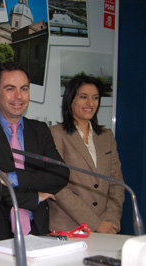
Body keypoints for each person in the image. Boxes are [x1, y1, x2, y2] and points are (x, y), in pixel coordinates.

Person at [0, 62, 69, 240]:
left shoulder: (40, 130)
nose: (19, 96)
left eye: (24, 89)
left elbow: (60, 174)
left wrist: (12, 178)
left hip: (38, 230)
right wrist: (34, 198)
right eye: (10, 89)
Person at [49, 75, 125, 234]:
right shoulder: (55, 134)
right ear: (70, 99)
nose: (90, 103)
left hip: (106, 228)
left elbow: (116, 184)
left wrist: (110, 220)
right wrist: (95, 223)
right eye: (83, 97)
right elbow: (58, 187)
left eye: (95, 98)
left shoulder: (107, 136)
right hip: (68, 228)